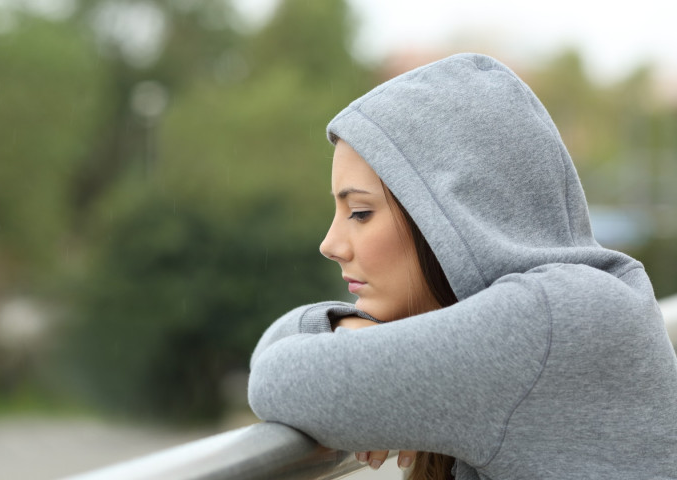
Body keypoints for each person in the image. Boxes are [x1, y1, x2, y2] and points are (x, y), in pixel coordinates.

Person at [247, 53, 677, 480]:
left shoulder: (550, 320)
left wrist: (346, 341)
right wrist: (346, 326)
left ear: (450, 214)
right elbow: (270, 356)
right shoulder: (574, 304)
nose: (330, 244)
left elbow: (273, 379)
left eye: (359, 212)